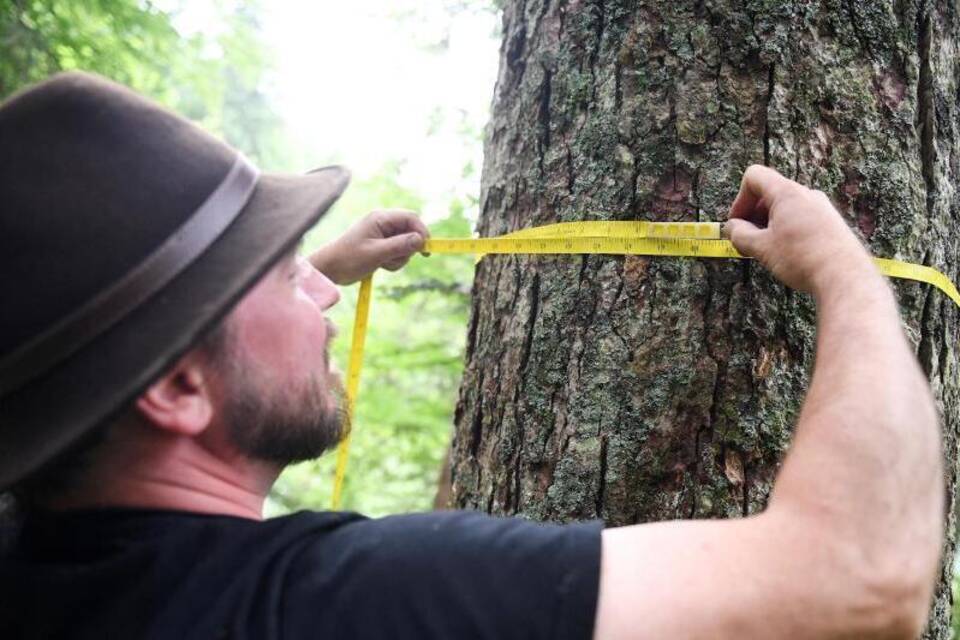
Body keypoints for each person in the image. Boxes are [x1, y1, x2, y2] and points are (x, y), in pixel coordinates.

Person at [0, 72, 943, 640]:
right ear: (172, 386)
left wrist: (282, 283)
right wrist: (844, 271)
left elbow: (171, 362)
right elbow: (860, 578)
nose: (325, 294)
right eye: (287, 277)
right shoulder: (348, 607)